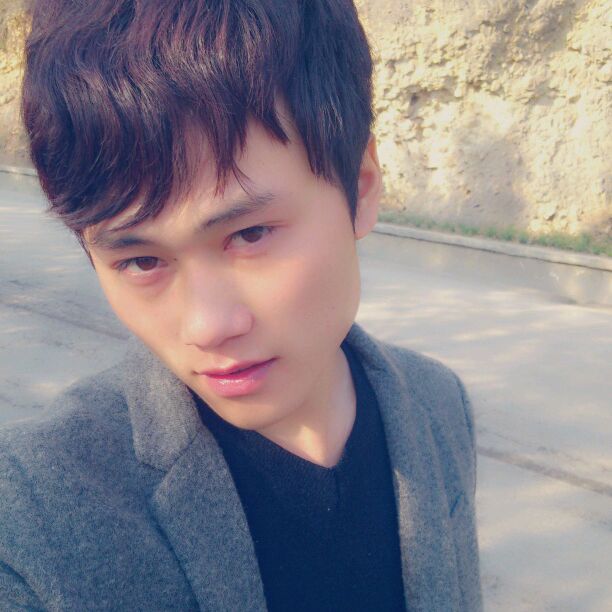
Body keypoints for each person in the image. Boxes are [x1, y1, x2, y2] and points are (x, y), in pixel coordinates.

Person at [0, 1, 482, 610]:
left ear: (360, 187)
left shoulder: (438, 406)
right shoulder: (32, 514)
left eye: (250, 235)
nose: (206, 326)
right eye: (141, 262)